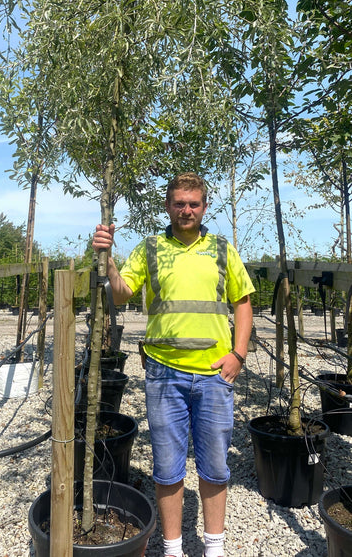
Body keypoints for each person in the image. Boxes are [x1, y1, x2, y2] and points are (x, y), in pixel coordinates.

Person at [92, 172, 255, 557]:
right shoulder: (150, 248)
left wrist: (239, 355)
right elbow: (121, 293)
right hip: (164, 374)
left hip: (215, 374)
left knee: (215, 466)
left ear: (203, 206)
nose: (186, 210)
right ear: (167, 206)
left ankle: (214, 547)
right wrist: (109, 261)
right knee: (167, 467)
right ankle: (173, 547)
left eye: (193, 203)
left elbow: (243, 302)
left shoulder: (221, 249)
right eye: (179, 203)